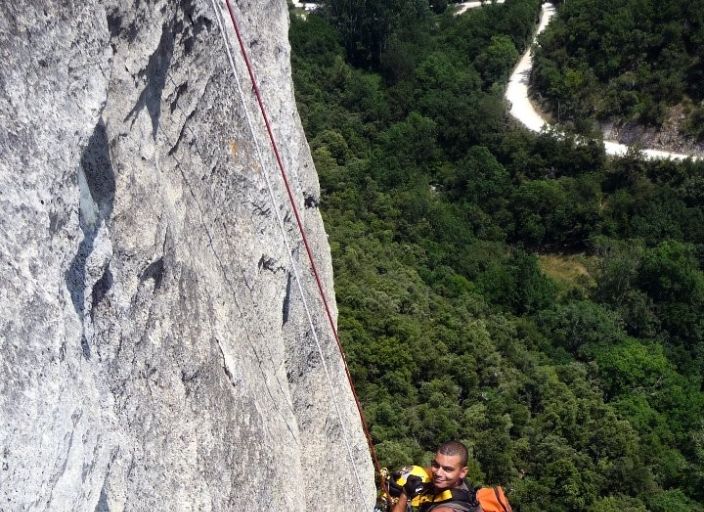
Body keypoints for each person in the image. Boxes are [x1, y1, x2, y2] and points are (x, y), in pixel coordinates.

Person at [391, 441, 480, 512]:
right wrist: (407, 473)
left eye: (447, 469)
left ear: (463, 472)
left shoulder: (445, 510)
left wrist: (404, 494)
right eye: (436, 465)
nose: (438, 473)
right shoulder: (460, 484)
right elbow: (429, 470)